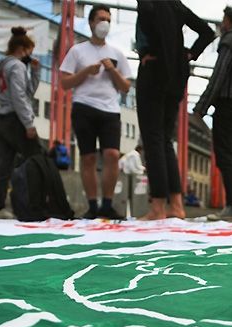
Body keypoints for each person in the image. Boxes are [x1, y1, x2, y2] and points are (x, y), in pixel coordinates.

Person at [135, 0, 214, 220]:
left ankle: (158, 206)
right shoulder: (175, 4)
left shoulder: (149, 3)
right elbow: (207, 32)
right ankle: (176, 205)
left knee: (152, 138)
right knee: (165, 139)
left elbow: (148, 16)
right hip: (177, 76)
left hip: (153, 70)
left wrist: (152, 51)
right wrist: (187, 54)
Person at [60, 5, 132, 220]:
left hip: (110, 110)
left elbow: (126, 86)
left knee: (111, 155)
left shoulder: (117, 53)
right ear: (91, 22)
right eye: (101, 19)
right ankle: (92, 204)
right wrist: (86, 71)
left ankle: (107, 204)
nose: (105, 24)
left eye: (108, 20)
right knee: (88, 157)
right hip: (84, 107)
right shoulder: (77, 51)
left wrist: (111, 69)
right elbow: (64, 82)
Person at [193, 6, 232, 221]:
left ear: (231, 21)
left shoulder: (231, 39)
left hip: (228, 102)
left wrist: (201, 107)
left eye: (224, 19)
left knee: (225, 153)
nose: (222, 24)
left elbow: (219, 75)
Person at [0, 26, 42, 219]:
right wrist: (29, 124)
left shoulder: (4, 66)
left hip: (1, 119)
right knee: (37, 158)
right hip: (15, 120)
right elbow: (20, 97)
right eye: (30, 50)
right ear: (23, 48)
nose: (31, 55)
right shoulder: (17, 66)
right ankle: (37, 203)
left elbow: (26, 93)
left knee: (2, 164)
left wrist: (35, 73)